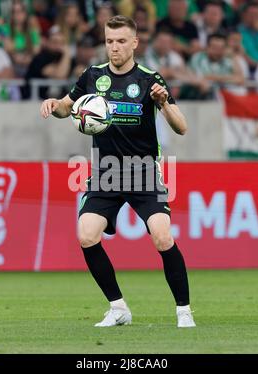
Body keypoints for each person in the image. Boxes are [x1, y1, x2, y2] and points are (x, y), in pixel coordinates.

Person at [40, 15, 196, 328]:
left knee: (163, 237)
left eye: (121, 41)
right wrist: (54, 104)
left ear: (135, 43)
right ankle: (118, 308)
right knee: (86, 235)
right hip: (105, 173)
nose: (114, 48)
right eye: (110, 41)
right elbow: (67, 107)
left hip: (143, 172)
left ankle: (184, 311)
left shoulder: (150, 79)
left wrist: (164, 104)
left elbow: (182, 128)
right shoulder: (92, 75)